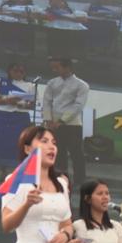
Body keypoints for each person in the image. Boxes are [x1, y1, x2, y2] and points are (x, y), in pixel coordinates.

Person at [43, 57, 88, 185]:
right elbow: (47, 101)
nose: (54, 70)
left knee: (76, 153)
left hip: (72, 124)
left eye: (57, 67)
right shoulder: (52, 83)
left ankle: (80, 180)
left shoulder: (81, 85)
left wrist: (62, 120)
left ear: (68, 67)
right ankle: (61, 179)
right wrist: (48, 119)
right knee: (58, 152)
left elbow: (78, 105)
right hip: (54, 123)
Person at [0, 63, 32, 176]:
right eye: (15, 71)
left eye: (21, 71)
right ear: (9, 71)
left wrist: (20, 105)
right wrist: (7, 101)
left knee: (17, 143)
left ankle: (12, 171)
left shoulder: (29, 85)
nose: (18, 73)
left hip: (19, 117)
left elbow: (31, 104)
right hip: (1, 115)